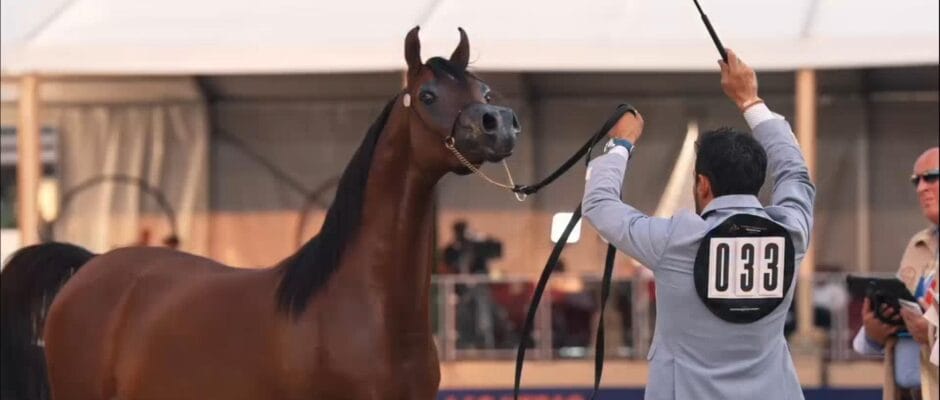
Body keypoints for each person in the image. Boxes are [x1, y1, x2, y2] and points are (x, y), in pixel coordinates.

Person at [582, 49, 814, 400]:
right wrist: (750, 101)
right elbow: (795, 172)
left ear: (703, 184)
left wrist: (620, 144)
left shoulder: (675, 241)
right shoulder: (791, 233)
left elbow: (600, 205)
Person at [853, 147, 939, 400]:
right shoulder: (918, 245)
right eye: (916, 180)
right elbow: (903, 315)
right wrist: (875, 330)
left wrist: (932, 334)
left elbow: (928, 330)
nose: (921, 188)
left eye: (931, 177)